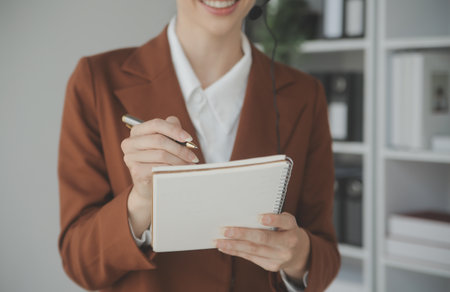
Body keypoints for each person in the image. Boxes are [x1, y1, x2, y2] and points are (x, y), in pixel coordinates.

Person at [58, 0, 340, 291]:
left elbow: (326, 256)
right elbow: (80, 262)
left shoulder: (306, 95)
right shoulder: (95, 80)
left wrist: (298, 256)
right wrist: (140, 202)